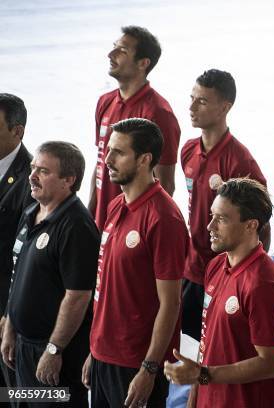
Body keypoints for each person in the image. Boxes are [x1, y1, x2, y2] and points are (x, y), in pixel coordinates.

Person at [83, 118, 189, 407]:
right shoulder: (117, 204)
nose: (107, 159)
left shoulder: (164, 218)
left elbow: (170, 303)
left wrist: (149, 368)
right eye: (108, 150)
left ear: (144, 160)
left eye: (118, 152)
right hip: (104, 355)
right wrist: (95, 350)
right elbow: (107, 284)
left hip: (136, 365)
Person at [163, 178, 274, 408]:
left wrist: (204, 374)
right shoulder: (216, 266)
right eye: (212, 216)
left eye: (221, 219)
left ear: (250, 225)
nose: (210, 227)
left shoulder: (263, 283)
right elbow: (206, 343)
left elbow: (270, 363)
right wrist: (194, 398)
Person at [1, 141, 99, 407]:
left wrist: (54, 350)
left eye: (43, 171)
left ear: (69, 179)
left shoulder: (77, 227)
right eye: (33, 167)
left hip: (52, 356)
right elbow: (17, 272)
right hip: (22, 348)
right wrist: (10, 325)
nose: (32, 176)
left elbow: (77, 297)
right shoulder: (32, 211)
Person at [181, 69, 267, 342]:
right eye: (192, 98)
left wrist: (247, 273)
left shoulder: (240, 163)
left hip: (225, 272)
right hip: (192, 270)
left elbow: (260, 226)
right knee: (191, 347)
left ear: (225, 107)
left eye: (202, 101)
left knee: (222, 347)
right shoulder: (188, 151)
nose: (192, 107)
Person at [89, 25, 181, 229]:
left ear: (143, 63)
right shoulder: (104, 102)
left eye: (122, 50)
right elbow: (100, 162)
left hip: (131, 228)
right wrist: (90, 213)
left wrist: (139, 228)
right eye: (114, 47)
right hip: (101, 224)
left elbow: (166, 185)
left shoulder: (159, 113)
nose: (111, 54)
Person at [0, 93, 33, 397]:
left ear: (17, 131)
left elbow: (24, 255)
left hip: (7, 303)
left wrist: (10, 312)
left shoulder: (33, 178)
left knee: (11, 389)